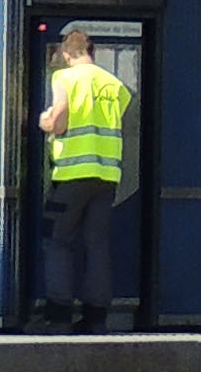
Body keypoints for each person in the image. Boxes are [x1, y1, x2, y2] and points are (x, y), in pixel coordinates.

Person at [31, 24, 130, 328]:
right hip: (106, 176)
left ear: (66, 54)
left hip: (72, 174)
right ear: (92, 51)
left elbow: (59, 120)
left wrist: (45, 121)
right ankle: (95, 317)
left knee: (56, 240)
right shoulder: (114, 84)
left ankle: (58, 315)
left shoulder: (65, 77)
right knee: (96, 244)